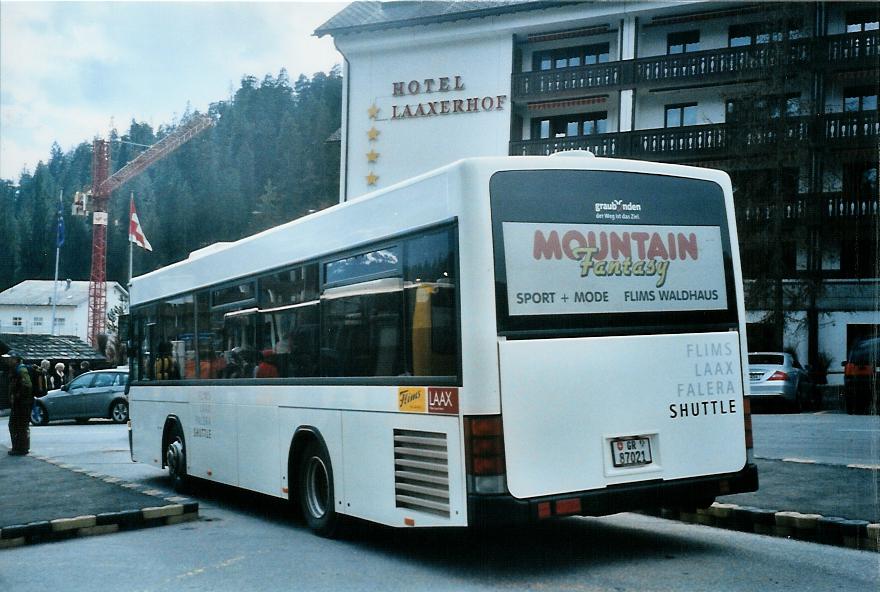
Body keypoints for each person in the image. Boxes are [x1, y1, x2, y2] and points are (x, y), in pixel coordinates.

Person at [3, 350, 34, 455]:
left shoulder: (21, 370)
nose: (7, 360)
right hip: (21, 403)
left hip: (22, 404)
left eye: (10, 358)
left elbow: (27, 385)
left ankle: (20, 448)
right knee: (17, 425)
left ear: (15, 359)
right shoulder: (15, 369)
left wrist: (17, 396)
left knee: (18, 425)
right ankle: (19, 447)